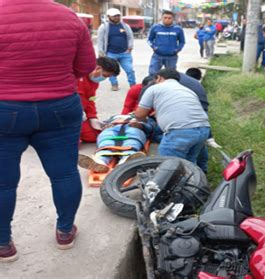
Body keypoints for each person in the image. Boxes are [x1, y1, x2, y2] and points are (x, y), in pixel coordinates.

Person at [0, 0, 96, 262]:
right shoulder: (69, 17)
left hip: (5, 109)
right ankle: (65, 232)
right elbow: (85, 67)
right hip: (60, 106)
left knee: (3, 182)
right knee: (64, 174)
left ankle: (3, 244)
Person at [135, 69, 210, 164]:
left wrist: (143, 124)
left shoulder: (155, 88)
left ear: (158, 78)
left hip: (181, 131)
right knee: (189, 164)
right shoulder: (187, 90)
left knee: (169, 165)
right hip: (203, 129)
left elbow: (139, 114)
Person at [78, 114, 155, 173]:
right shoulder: (114, 116)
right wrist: (105, 126)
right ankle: (99, 161)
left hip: (133, 128)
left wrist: (141, 126)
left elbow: (151, 128)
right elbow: (102, 124)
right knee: (106, 139)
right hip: (113, 128)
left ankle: (127, 158)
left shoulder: (145, 117)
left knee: (132, 140)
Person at [79, 57, 121, 143]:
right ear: (98, 68)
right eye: (105, 75)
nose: (104, 78)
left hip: (78, 117)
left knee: (95, 135)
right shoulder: (78, 76)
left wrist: (92, 117)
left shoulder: (94, 83)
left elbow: (91, 100)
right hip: (66, 114)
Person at [97, 8, 136, 91]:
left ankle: (133, 86)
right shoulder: (104, 27)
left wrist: (130, 47)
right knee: (111, 70)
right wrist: (101, 51)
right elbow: (100, 40)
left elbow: (130, 37)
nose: (116, 17)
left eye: (118, 15)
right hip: (111, 53)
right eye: (114, 16)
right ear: (109, 16)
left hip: (125, 53)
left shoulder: (125, 26)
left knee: (130, 70)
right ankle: (114, 84)